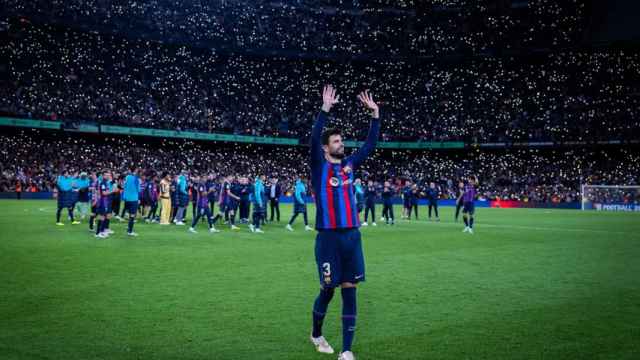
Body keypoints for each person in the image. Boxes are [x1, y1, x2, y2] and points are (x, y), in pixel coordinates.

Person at [308, 85, 380, 360]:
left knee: (350, 290)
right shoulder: (318, 165)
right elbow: (314, 138)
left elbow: (370, 145)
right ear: (326, 148)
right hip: (328, 238)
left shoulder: (350, 164)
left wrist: (375, 116)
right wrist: (324, 109)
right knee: (328, 290)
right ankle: (316, 333)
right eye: (336, 142)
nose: (341, 144)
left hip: (352, 236)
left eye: (341, 141)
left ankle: (347, 350)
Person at [122, 166, 141, 236]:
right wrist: (139, 198)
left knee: (129, 214)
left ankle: (128, 227)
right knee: (132, 215)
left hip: (127, 198)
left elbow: (124, 186)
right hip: (134, 199)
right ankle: (130, 231)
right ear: (135, 170)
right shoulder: (136, 179)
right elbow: (138, 190)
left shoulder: (127, 177)